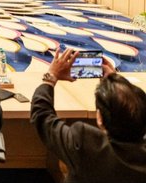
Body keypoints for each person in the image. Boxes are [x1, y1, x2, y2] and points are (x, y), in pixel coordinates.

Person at [31, 48, 146, 183]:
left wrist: (51, 76)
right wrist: (115, 83)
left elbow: (42, 116)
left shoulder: (85, 143)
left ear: (100, 118)